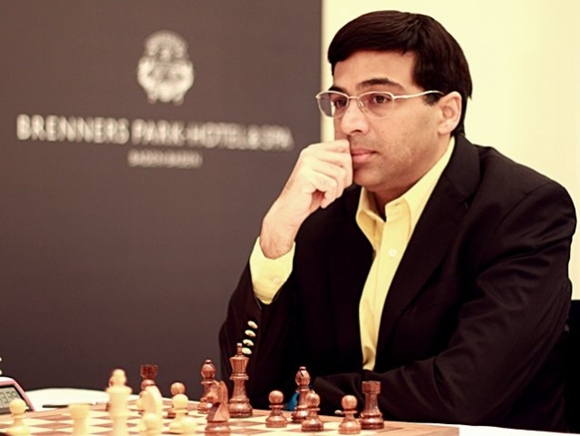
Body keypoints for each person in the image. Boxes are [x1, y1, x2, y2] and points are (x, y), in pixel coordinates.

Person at [219, 10, 576, 432]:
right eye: (340, 101)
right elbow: (245, 386)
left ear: (447, 112)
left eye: (379, 100)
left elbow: (462, 395)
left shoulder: (522, 211)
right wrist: (277, 236)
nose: (349, 123)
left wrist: (306, 398)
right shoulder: (323, 214)